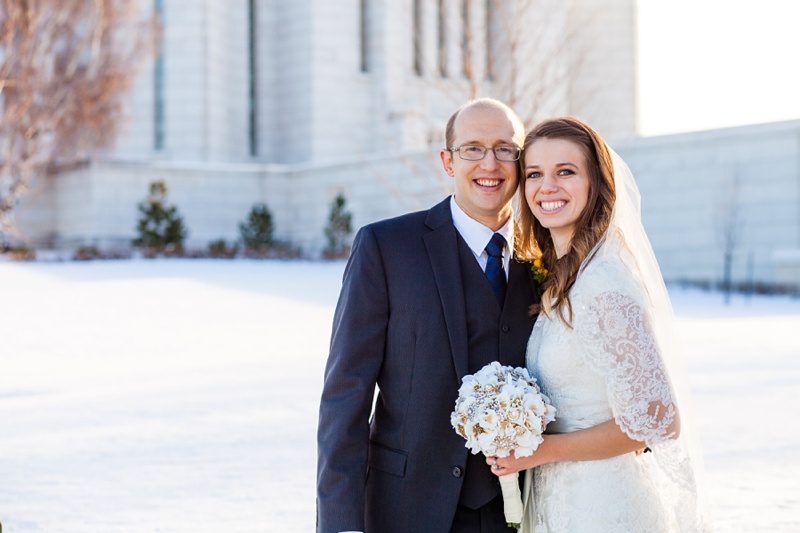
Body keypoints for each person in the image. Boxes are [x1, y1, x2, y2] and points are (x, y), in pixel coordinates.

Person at [316, 98, 540, 533]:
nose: (489, 163)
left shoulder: (548, 258)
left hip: (524, 510)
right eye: (472, 148)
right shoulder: (386, 247)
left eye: (504, 148)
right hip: (405, 509)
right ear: (447, 161)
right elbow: (346, 395)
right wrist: (340, 522)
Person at [486, 117, 710, 531]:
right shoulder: (564, 280)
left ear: (596, 184)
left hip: (604, 506)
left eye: (565, 172)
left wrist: (541, 451)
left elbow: (656, 418)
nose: (546, 186)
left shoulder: (605, 282)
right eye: (534, 174)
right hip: (563, 500)